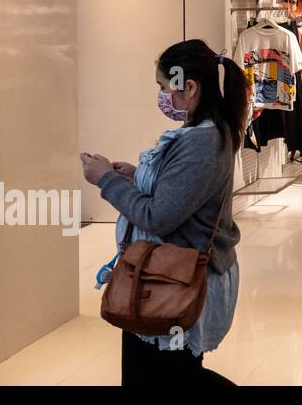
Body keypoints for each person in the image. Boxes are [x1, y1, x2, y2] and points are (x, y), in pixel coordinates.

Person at [80, 39, 247, 386]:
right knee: (173, 374)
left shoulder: (201, 142)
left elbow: (158, 217)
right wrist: (135, 176)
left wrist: (107, 181)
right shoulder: (205, 132)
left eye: (162, 86)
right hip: (167, 275)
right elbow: (179, 192)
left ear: (189, 87)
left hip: (170, 281)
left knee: (165, 377)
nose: (160, 95)